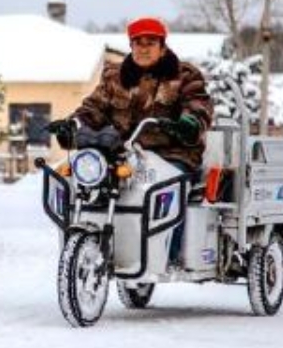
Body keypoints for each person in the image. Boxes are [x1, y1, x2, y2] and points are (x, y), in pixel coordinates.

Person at [48, 16, 214, 265]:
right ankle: (92, 247)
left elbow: (198, 107)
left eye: (150, 42)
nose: (143, 48)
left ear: (162, 45)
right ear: (131, 44)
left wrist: (188, 124)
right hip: (120, 153)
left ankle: (167, 254)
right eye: (138, 42)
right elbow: (92, 110)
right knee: (76, 181)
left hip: (173, 154)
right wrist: (71, 125)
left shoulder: (185, 75)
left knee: (169, 187)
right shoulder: (115, 76)